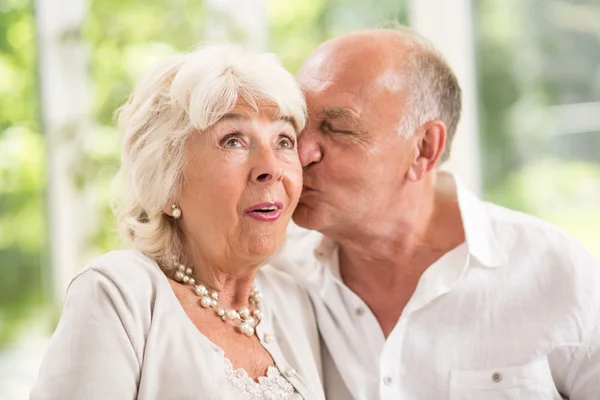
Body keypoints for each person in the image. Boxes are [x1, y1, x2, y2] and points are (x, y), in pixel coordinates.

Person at [274, 27, 600, 399]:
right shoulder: (276, 277)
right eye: (296, 126)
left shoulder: (557, 273)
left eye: (338, 129)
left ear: (424, 149)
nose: (299, 155)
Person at [30, 44, 325, 400]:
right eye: (233, 141)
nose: (271, 168)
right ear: (167, 182)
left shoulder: (294, 299)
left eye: (283, 140)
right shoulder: (118, 295)